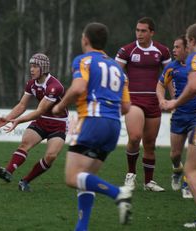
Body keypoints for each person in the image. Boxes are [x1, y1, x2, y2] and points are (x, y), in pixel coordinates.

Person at [52, 22, 132, 230]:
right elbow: (126, 107)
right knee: (85, 178)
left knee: (71, 178)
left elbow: (78, 87)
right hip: (113, 125)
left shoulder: (84, 60)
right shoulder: (117, 67)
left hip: (93, 121)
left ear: (85, 39)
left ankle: (118, 193)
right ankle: (82, 227)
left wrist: (61, 104)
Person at [0, 53, 68, 192]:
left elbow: (39, 110)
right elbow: (22, 105)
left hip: (58, 124)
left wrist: (19, 120)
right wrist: (7, 118)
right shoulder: (31, 84)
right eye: (30, 66)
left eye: (35, 66)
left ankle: (25, 181)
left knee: (50, 156)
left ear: (43, 68)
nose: (31, 69)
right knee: (25, 144)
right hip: (42, 121)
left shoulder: (54, 86)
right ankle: (7, 172)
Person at [115, 17, 171, 192]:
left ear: (151, 32)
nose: (139, 34)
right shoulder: (127, 50)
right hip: (134, 101)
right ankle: (130, 174)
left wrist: (175, 99)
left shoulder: (162, 51)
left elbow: (169, 77)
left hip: (154, 102)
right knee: (134, 137)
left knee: (149, 144)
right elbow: (115, 72)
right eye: (137, 30)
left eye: (143, 31)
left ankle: (149, 182)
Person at [163, 22, 196, 228]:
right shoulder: (174, 66)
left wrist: (175, 102)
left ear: (193, 41)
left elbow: (195, 85)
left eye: (187, 42)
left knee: (192, 170)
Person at [156, 35, 196, 198]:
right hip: (179, 115)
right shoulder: (171, 68)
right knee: (175, 154)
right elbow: (160, 84)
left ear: (187, 48)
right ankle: (177, 170)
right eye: (173, 47)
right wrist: (162, 99)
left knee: (192, 155)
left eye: (177, 47)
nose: (173, 50)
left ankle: (188, 184)